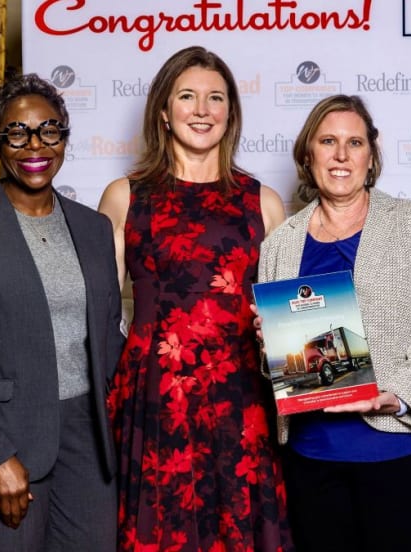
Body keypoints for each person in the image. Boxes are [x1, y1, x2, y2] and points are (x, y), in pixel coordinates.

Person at [97, 46, 293, 551]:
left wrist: (334, 394)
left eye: (215, 98)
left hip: (242, 398)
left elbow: (298, 319)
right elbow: (94, 315)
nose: (202, 110)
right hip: (154, 396)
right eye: (187, 96)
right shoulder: (125, 196)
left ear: (231, 114)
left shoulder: (263, 202)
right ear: (164, 110)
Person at [0, 73, 123, 552]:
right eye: (17, 132)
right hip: (2, 441)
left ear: (64, 139)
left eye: (49, 130)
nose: (35, 145)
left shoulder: (93, 229)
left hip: (89, 443)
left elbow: (109, 338)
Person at [257, 94, 411, 552]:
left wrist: (400, 395)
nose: (340, 155)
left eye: (354, 142)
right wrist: (269, 343)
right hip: (313, 455)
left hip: (401, 450)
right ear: (308, 154)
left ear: (371, 154)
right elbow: (280, 367)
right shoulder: (280, 244)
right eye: (328, 141)